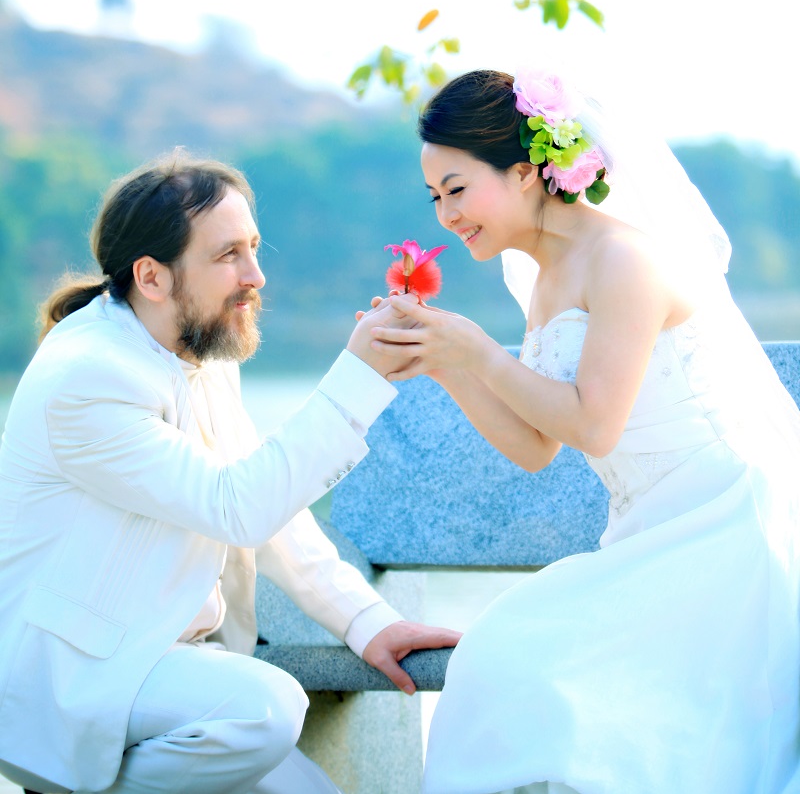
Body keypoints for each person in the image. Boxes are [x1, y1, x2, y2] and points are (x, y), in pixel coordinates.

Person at [368, 67, 800, 794]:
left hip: (725, 529)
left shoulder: (624, 258)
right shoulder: (545, 276)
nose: (446, 214)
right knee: (502, 658)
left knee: (541, 678)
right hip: (649, 536)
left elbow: (594, 426)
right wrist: (446, 363)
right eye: (435, 196)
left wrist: (477, 349)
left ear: (528, 170)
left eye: (458, 189)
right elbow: (538, 445)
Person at [0, 153, 459, 794]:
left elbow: (272, 518)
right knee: (266, 707)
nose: (256, 276)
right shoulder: (87, 377)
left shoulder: (201, 346)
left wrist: (370, 622)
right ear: (152, 277)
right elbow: (235, 506)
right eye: (227, 257)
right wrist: (357, 381)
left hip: (181, 667)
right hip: (78, 675)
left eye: (253, 248)